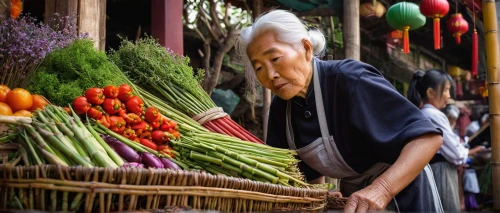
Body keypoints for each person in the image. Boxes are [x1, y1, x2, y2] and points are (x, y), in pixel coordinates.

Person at [237, 10, 444, 213]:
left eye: (274, 59)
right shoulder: (281, 109)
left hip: (403, 188)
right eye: (259, 68)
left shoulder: (350, 79)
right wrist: (320, 194)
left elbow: (428, 139)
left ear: (306, 49)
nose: (270, 75)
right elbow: (304, 175)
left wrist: (382, 189)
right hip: (352, 198)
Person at [407, 70, 485, 212]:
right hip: (442, 171)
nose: (448, 96)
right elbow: (456, 153)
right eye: (446, 90)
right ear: (430, 93)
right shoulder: (433, 115)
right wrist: (466, 153)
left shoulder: (423, 113)